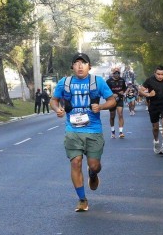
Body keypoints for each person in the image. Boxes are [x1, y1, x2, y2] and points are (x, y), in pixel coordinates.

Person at [49, 53, 117, 212]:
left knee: (94, 165)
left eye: (83, 63)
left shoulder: (98, 81)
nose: (80, 66)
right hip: (72, 130)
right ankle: (82, 199)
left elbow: (112, 100)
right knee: (75, 162)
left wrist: (101, 107)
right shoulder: (64, 82)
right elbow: (54, 100)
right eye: (76, 63)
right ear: (72, 66)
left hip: (93, 130)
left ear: (89, 66)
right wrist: (57, 109)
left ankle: (93, 174)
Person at [139, 65, 163, 155]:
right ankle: (156, 141)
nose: (160, 76)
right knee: (155, 128)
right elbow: (140, 91)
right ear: (154, 73)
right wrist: (148, 95)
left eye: (162, 74)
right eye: (158, 74)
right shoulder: (149, 80)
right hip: (154, 106)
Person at [106, 68, 128, 138]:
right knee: (112, 116)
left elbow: (125, 88)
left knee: (120, 114)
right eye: (115, 73)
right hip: (111, 100)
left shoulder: (122, 80)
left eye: (118, 73)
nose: (117, 74)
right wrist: (112, 94)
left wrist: (123, 92)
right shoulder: (108, 81)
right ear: (113, 74)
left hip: (120, 99)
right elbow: (105, 90)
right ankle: (113, 132)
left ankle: (121, 132)